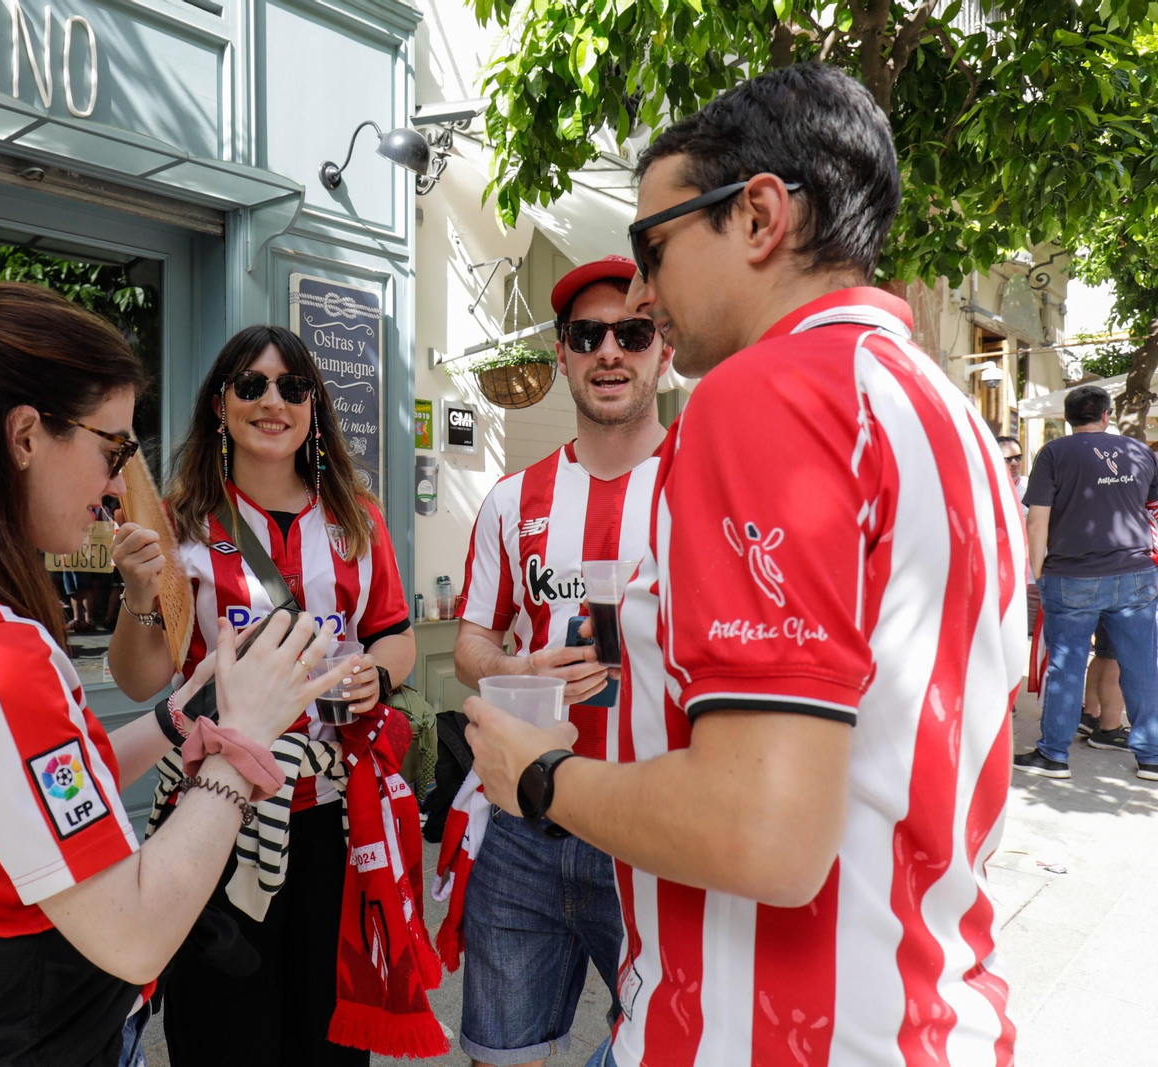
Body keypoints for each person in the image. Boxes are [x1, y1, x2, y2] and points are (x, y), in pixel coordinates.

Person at [460, 63, 1027, 1066]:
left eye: (652, 246)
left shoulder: (765, 394)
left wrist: (539, 775)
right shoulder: (945, 415)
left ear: (759, 215)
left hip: (763, 1032)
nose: (639, 290)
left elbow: (761, 830)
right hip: (919, 1007)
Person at [0, 282, 348, 1066]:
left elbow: (25, 789)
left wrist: (177, 723)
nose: (114, 487)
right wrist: (243, 741)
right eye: (113, 449)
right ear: (25, 435)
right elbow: (134, 935)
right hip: (18, 1033)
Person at [109, 324, 439, 1066]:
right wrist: (137, 594)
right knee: (225, 1035)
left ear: (314, 407)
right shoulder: (178, 523)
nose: (273, 400)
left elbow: (394, 633)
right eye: (251, 384)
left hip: (333, 823)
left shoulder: (356, 515)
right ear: (219, 404)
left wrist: (376, 674)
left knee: (328, 1038)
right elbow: (139, 679)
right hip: (215, 822)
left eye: (293, 386)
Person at [445, 255, 667, 1067]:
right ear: (565, 356)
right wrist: (515, 668)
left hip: (654, 823)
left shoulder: (702, 490)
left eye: (632, 331)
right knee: (500, 1057)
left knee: (663, 1049)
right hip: (523, 825)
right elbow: (472, 640)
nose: (610, 351)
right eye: (587, 335)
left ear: (662, 350)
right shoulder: (510, 500)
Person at [1016, 384, 1158, 780]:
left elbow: (1037, 518)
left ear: (1068, 418)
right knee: (1142, 664)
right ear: (1106, 415)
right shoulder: (1140, 452)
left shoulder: (1054, 453)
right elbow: (1153, 508)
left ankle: (1054, 755)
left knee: (1066, 665)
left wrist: (1039, 570)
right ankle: (1151, 756)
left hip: (1071, 574)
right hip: (1135, 573)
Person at [996, 435, 1026, 502]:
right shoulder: (986, 489)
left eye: (1018, 457)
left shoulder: (1031, 488)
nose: (1014, 463)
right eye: (1007, 459)